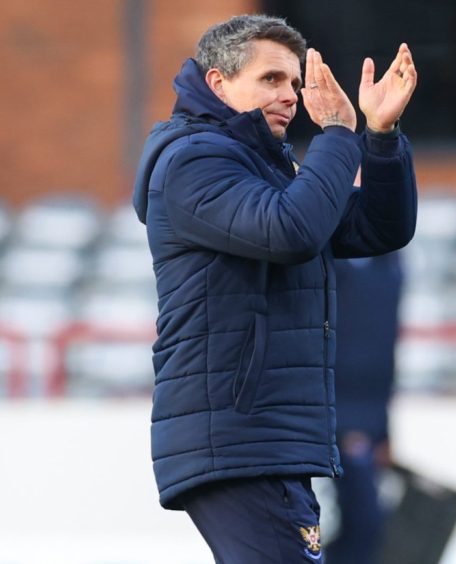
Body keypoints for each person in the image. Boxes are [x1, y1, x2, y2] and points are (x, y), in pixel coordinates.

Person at [131, 14, 418, 563]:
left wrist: (378, 138)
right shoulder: (193, 160)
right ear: (218, 84)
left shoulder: (262, 167)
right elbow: (292, 230)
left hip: (265, 438)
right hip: (240, 435)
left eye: (292, 82)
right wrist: (337, 134)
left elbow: (380, 229)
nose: (290, 96)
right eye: (270, 80)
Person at [328, 252, 404, 564]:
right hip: (339, 413)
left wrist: (384, 430)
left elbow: (385, 350)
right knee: (365, 522)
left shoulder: (391, 265)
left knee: (369, 525)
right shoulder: (330, 263)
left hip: (369, 416)